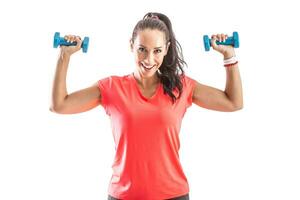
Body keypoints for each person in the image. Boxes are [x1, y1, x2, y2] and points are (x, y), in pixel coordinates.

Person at [50, 12, 243, 200]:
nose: (149, 59)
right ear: (131, 45)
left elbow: (233, 102)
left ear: (166, 49)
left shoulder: (181, 87)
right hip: (123, 196)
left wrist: (229, 55)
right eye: (142, 49)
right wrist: (64, 56)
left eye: (157, 51)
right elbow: (59, 105)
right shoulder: (111, 87)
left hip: (173, 195)